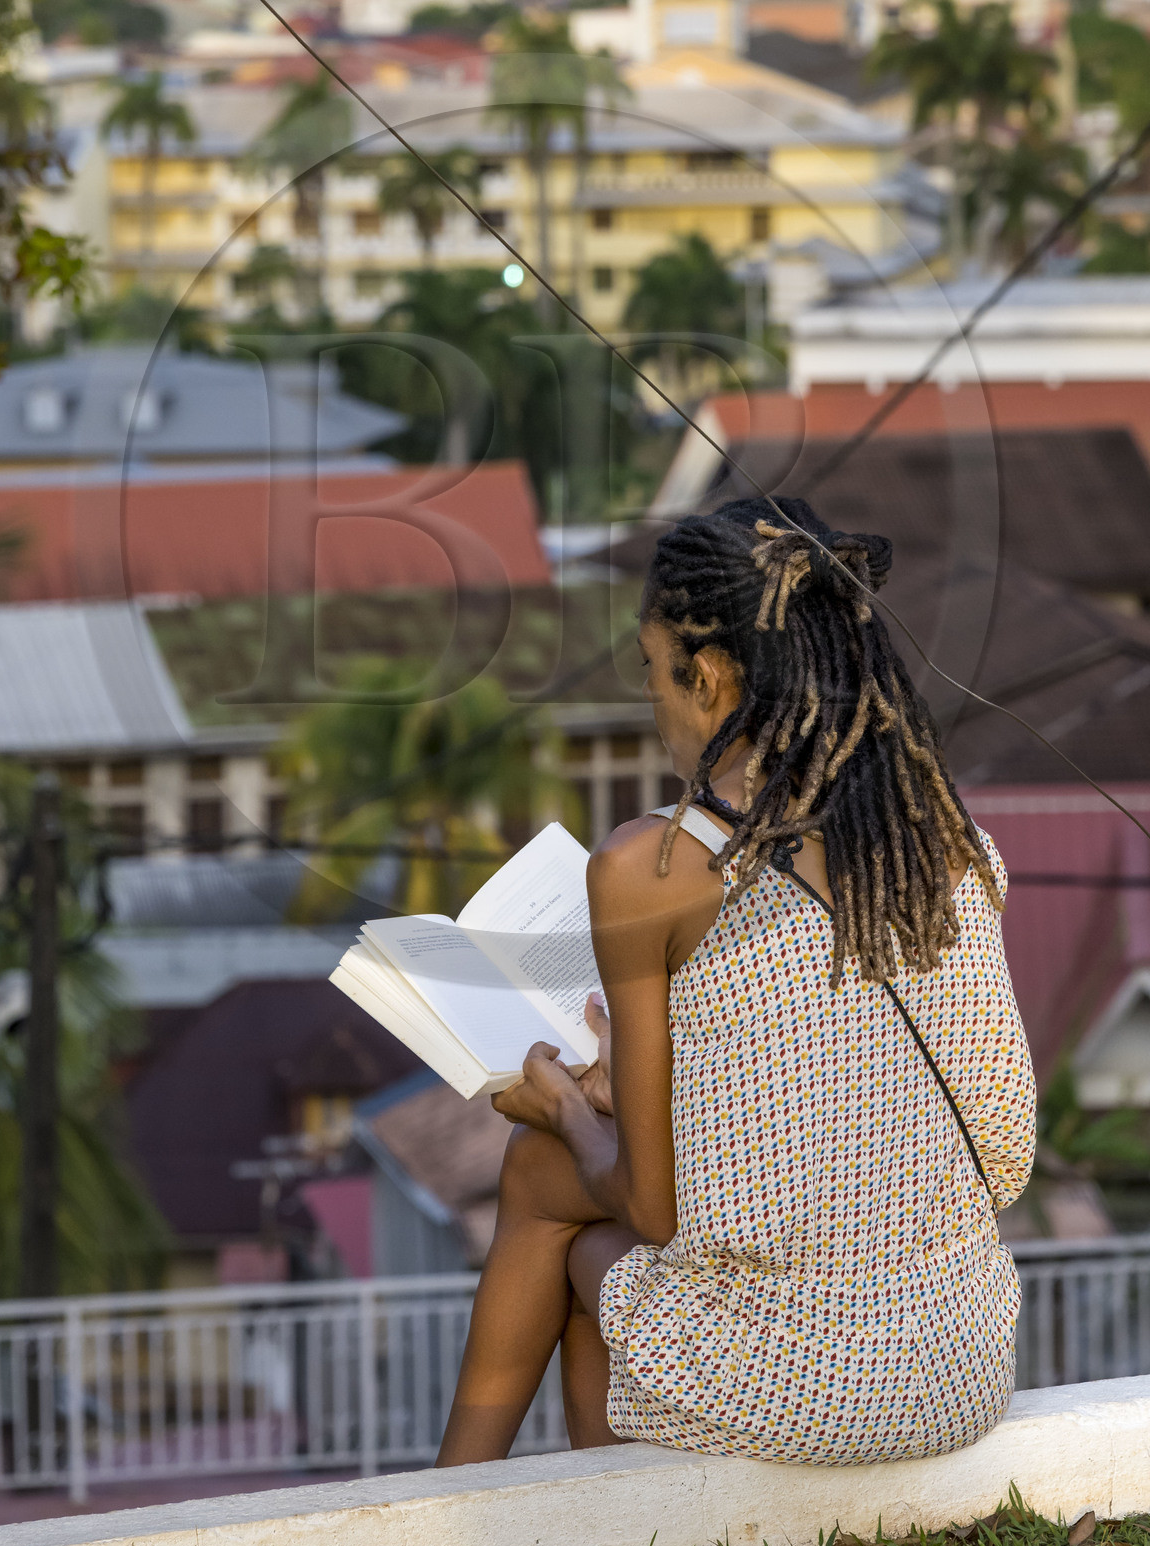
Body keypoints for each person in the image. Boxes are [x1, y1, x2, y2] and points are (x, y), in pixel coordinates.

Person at [435, 494, 1035, 1468]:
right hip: (961, 1364)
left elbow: (651, 1210)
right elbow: (939, 1123)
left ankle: (458, 1499)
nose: (654, 704)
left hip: (811, 1391)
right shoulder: (945, 839)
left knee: (546, 1177)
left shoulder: (652, 866)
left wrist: (566, 1105)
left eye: (652, 671)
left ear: (708, 674)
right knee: (596, 1206)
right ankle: (530, 1501)